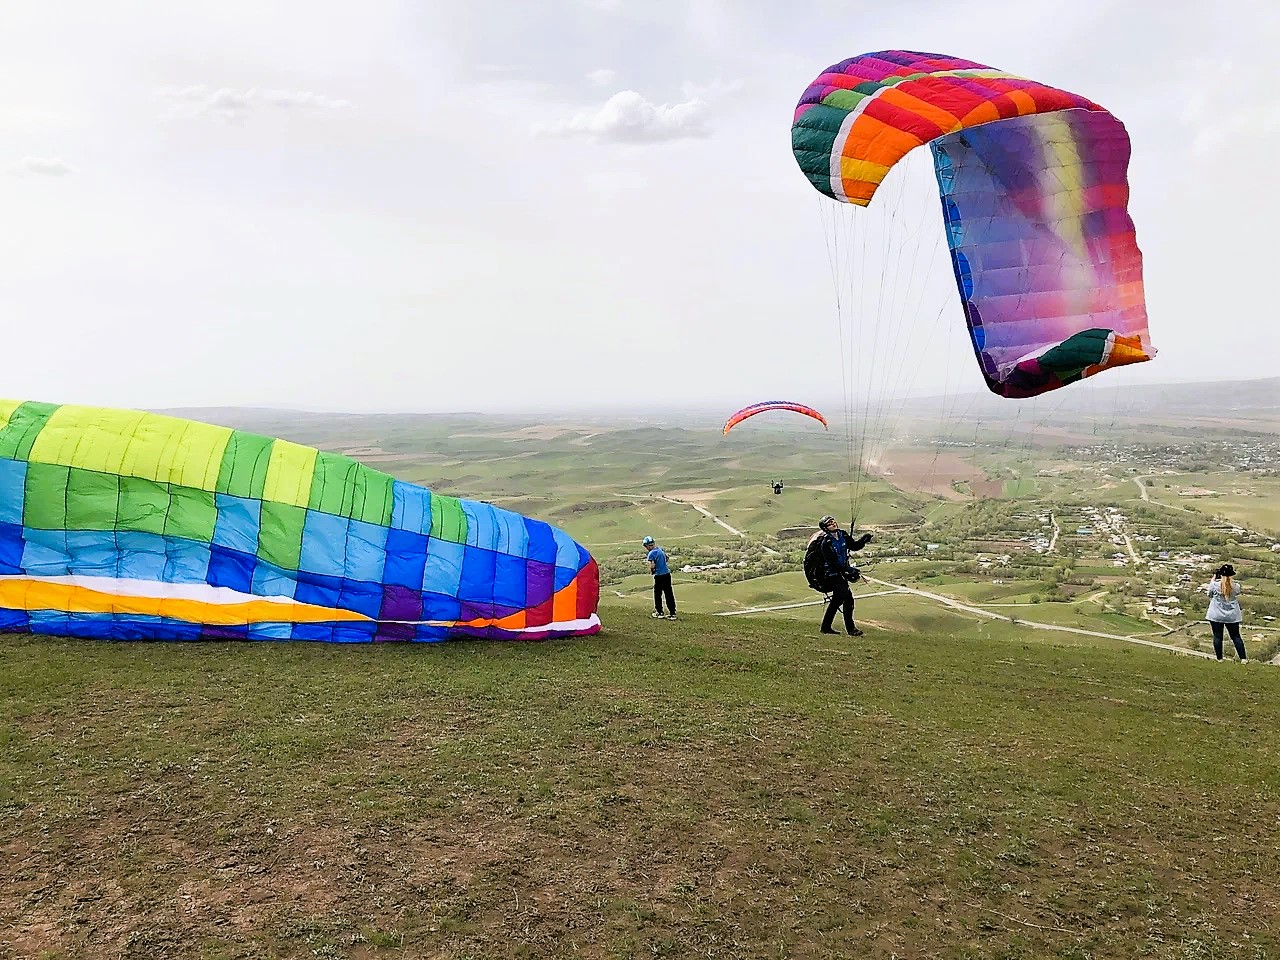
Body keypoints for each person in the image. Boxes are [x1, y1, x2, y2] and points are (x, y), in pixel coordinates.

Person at [815, 515, 872, 637]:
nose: (833, 524)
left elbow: (854, 546)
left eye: (833, 521)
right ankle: (851, 629)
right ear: (825, 528)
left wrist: (864, 540)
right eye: (830, 523)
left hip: (841, 572)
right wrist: (848, 570)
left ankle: (825, 627)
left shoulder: (843, 534)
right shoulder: (826, 543)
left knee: (837, 600)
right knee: (848, 598)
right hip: (832, 574)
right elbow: (833, 563)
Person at [1205, 563, 1247, 663]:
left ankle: (1220, 659)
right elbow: (1235, 590)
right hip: (1232, 615)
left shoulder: (1214, 585)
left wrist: (1213, 580)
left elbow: (1209, 594)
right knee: (1236, 636)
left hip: (1216, 614)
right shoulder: (1236, 586)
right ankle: (1243, 659)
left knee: (1218, 636)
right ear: (1232, 575)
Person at [643, 535, 677, 620]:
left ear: (647, 546)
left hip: (659, 576)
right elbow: (667, 558)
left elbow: (652, 565)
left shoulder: (651, 553)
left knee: (657, 594)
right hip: (667, 574)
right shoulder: (660, 550)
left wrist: (652, 570)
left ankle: (660, 612)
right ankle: (672, 613)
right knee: (669, 593)